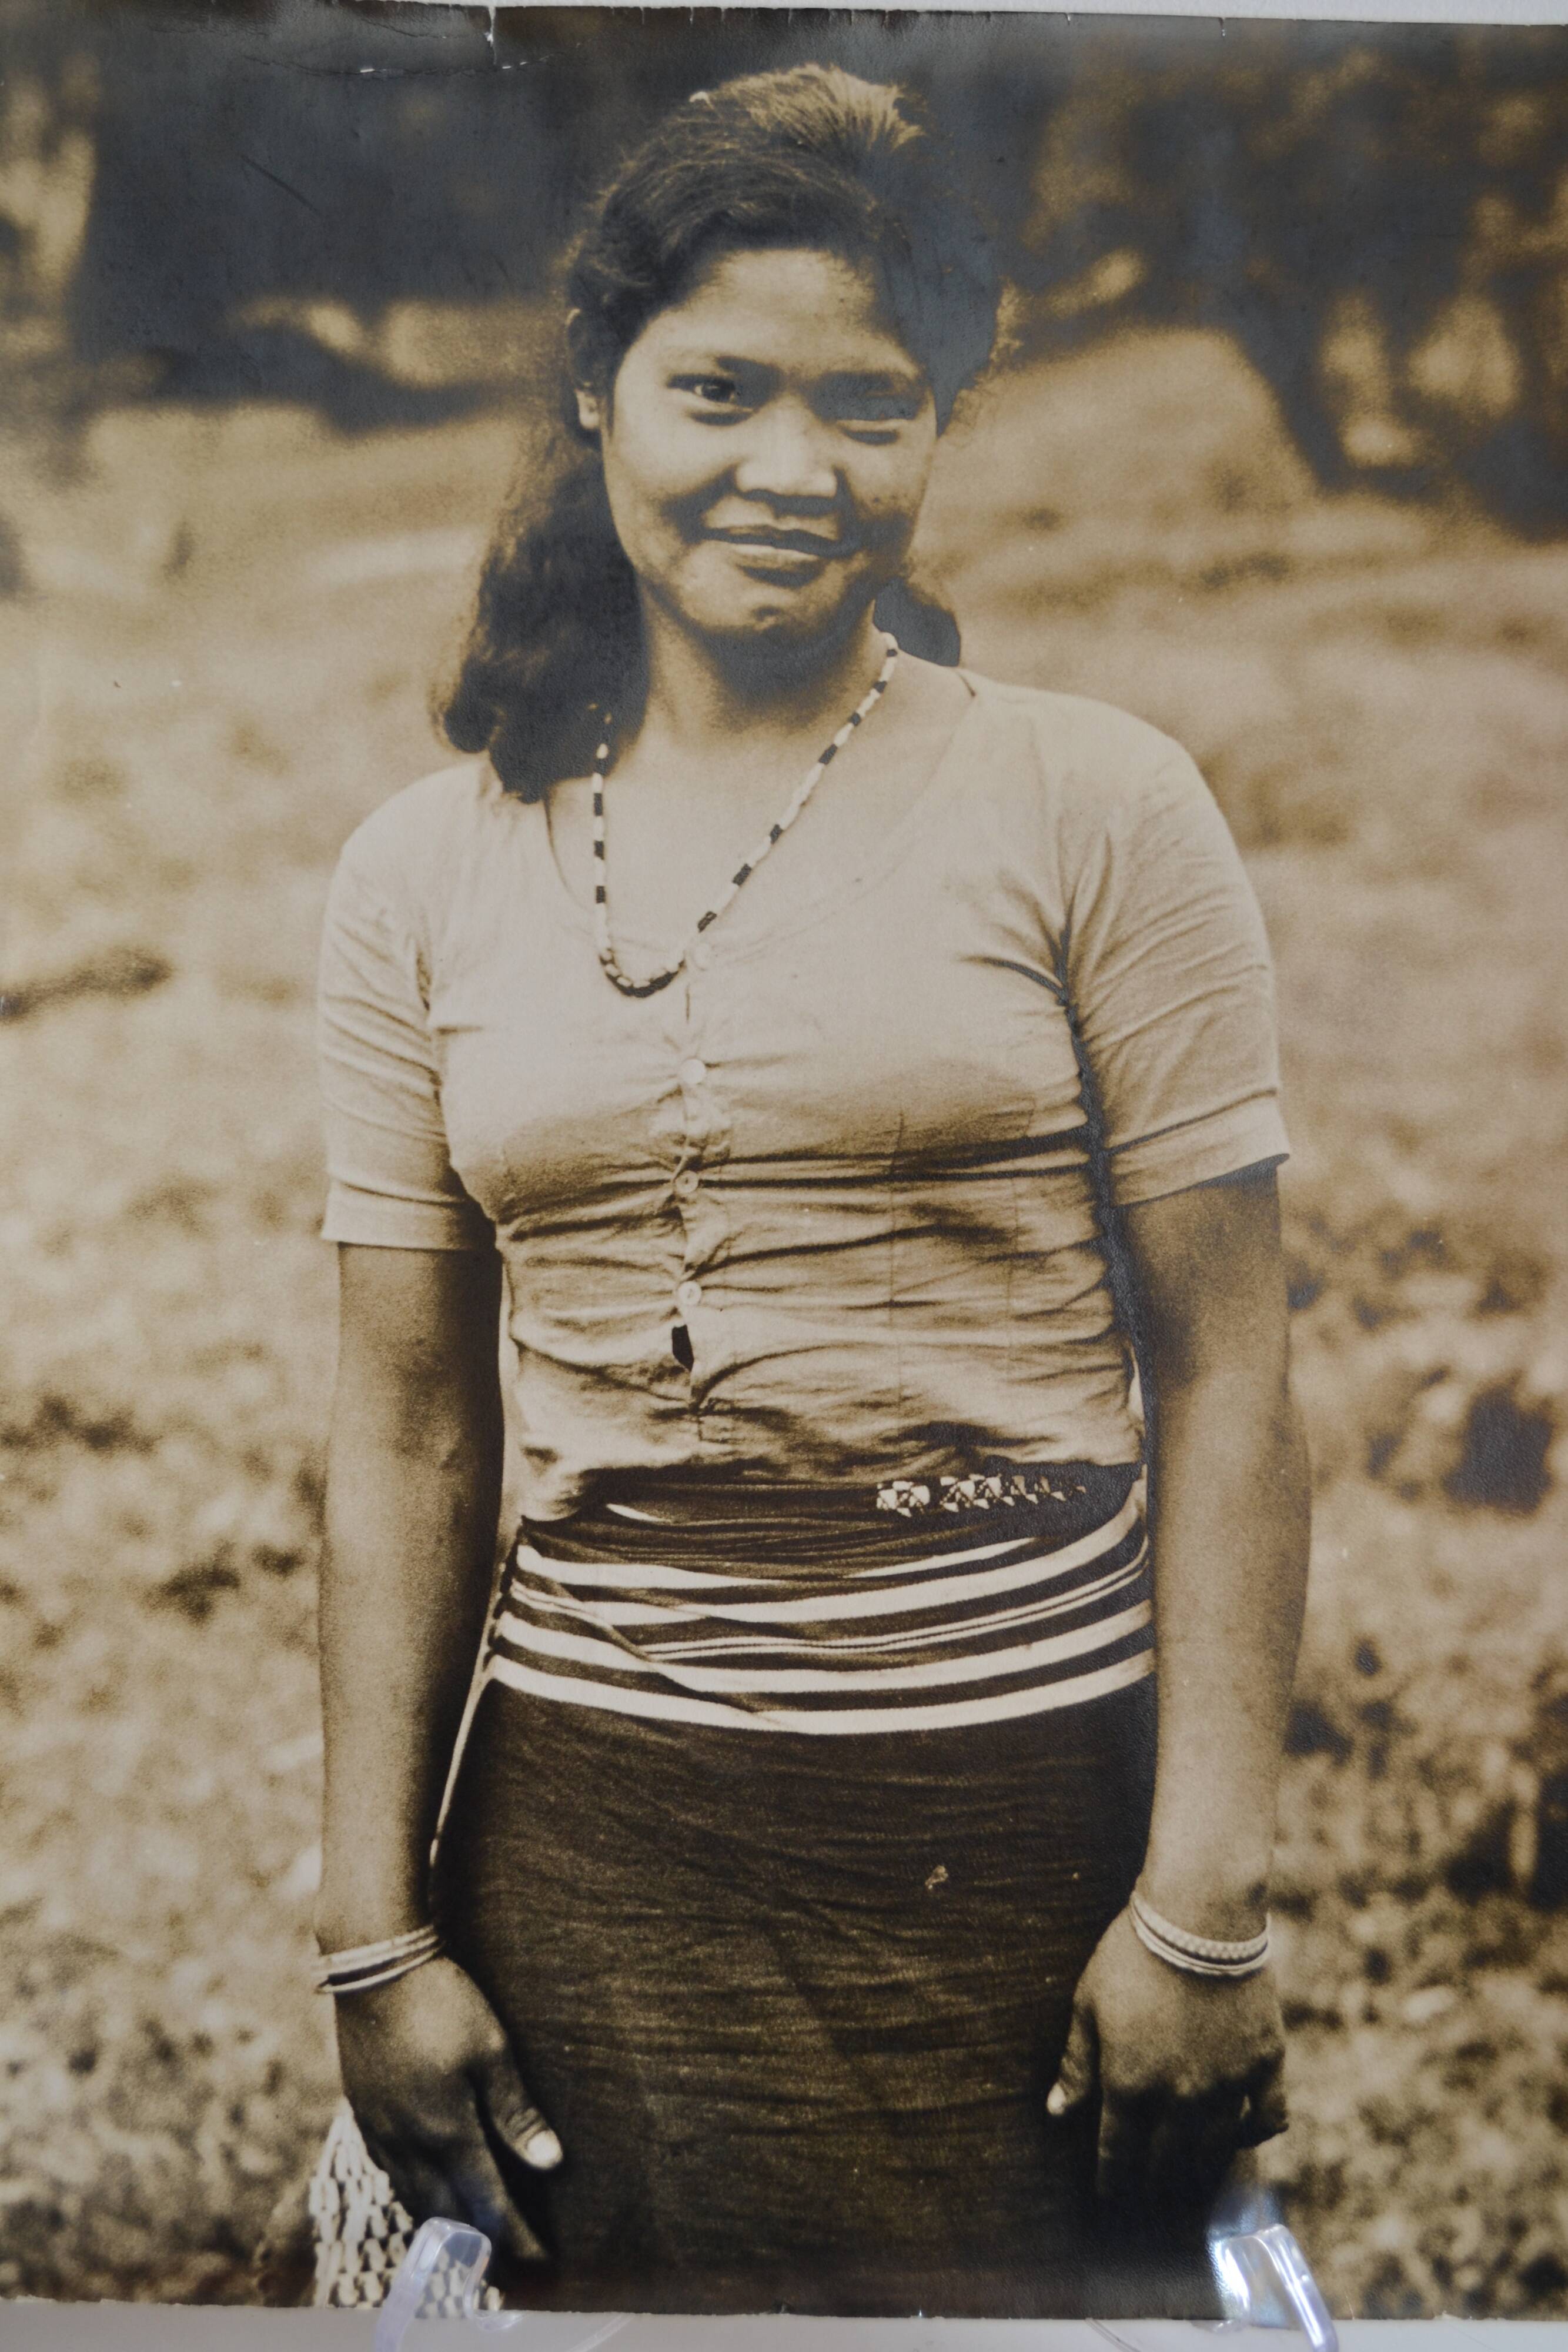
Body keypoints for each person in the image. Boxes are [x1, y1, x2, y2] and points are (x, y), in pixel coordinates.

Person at [308, 62, 1309, 2321]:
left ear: (942, 422)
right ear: (596, 391)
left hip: (1022, 1849)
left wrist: (1199, 1914)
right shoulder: (420, 872)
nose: (792, 469)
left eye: (872, 403)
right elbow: (405, 1430)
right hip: (591, 1863)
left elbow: (1231, 1371)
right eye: (718, 391)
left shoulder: (1099, 805)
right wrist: (377, 1936)